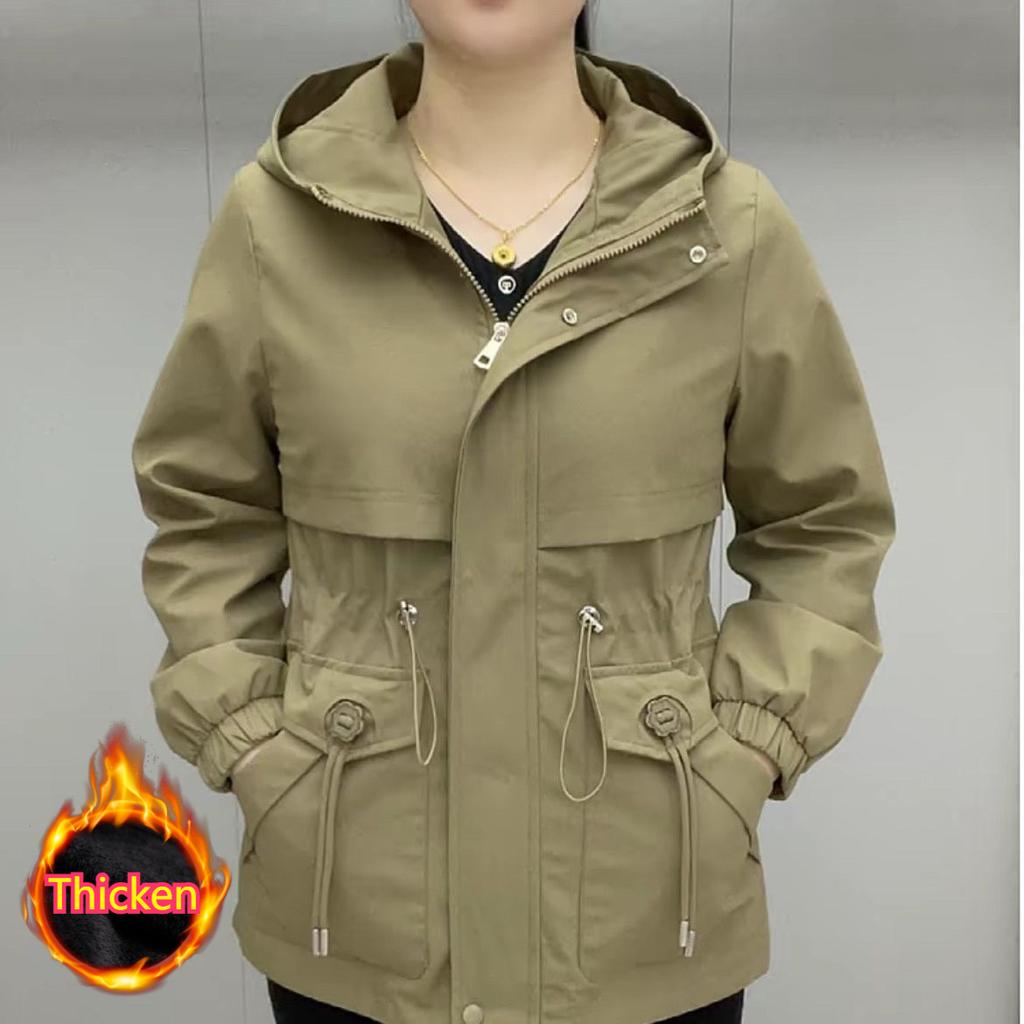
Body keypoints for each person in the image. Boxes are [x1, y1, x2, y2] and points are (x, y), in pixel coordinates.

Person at [129, 2, 897, 1023]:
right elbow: (204, 508)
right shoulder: (277, 222)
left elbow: (825, 522)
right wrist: (254, 739)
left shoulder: (725, 227)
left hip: (645, 909)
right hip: (353, 910)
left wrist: (748, 747)